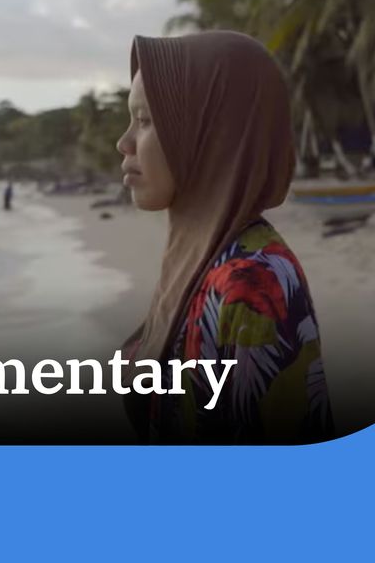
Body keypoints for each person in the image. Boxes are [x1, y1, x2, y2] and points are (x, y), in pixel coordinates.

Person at [115, 31, 334, 445]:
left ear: (210, 132)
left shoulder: (254, 280)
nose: (123, 143)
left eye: (145, 121)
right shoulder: (200, 256)